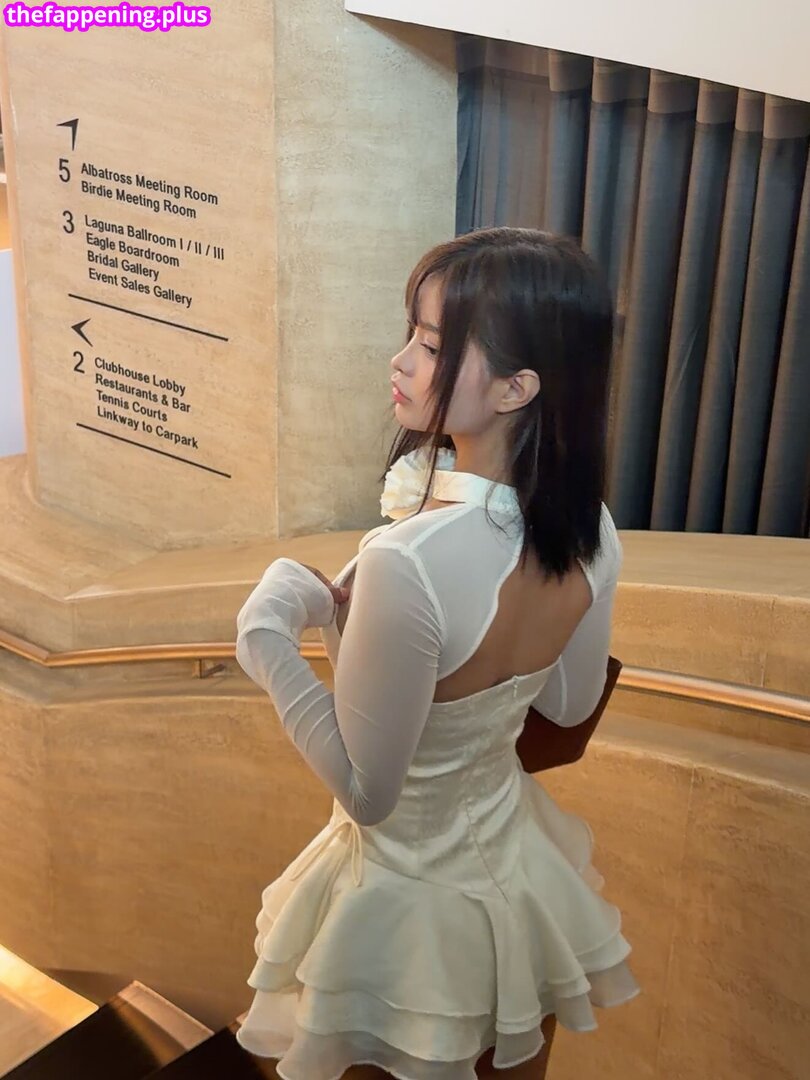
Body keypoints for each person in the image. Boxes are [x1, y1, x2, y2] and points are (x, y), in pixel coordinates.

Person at [233, 227, 640, 1079]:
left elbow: (369, 794)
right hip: (519, 886)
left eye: (430, 345)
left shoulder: (409, 560)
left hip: (402, 917)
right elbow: (568, 705)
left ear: (517, 388)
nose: (401, 361)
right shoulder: (591, 530)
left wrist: (267, 638)